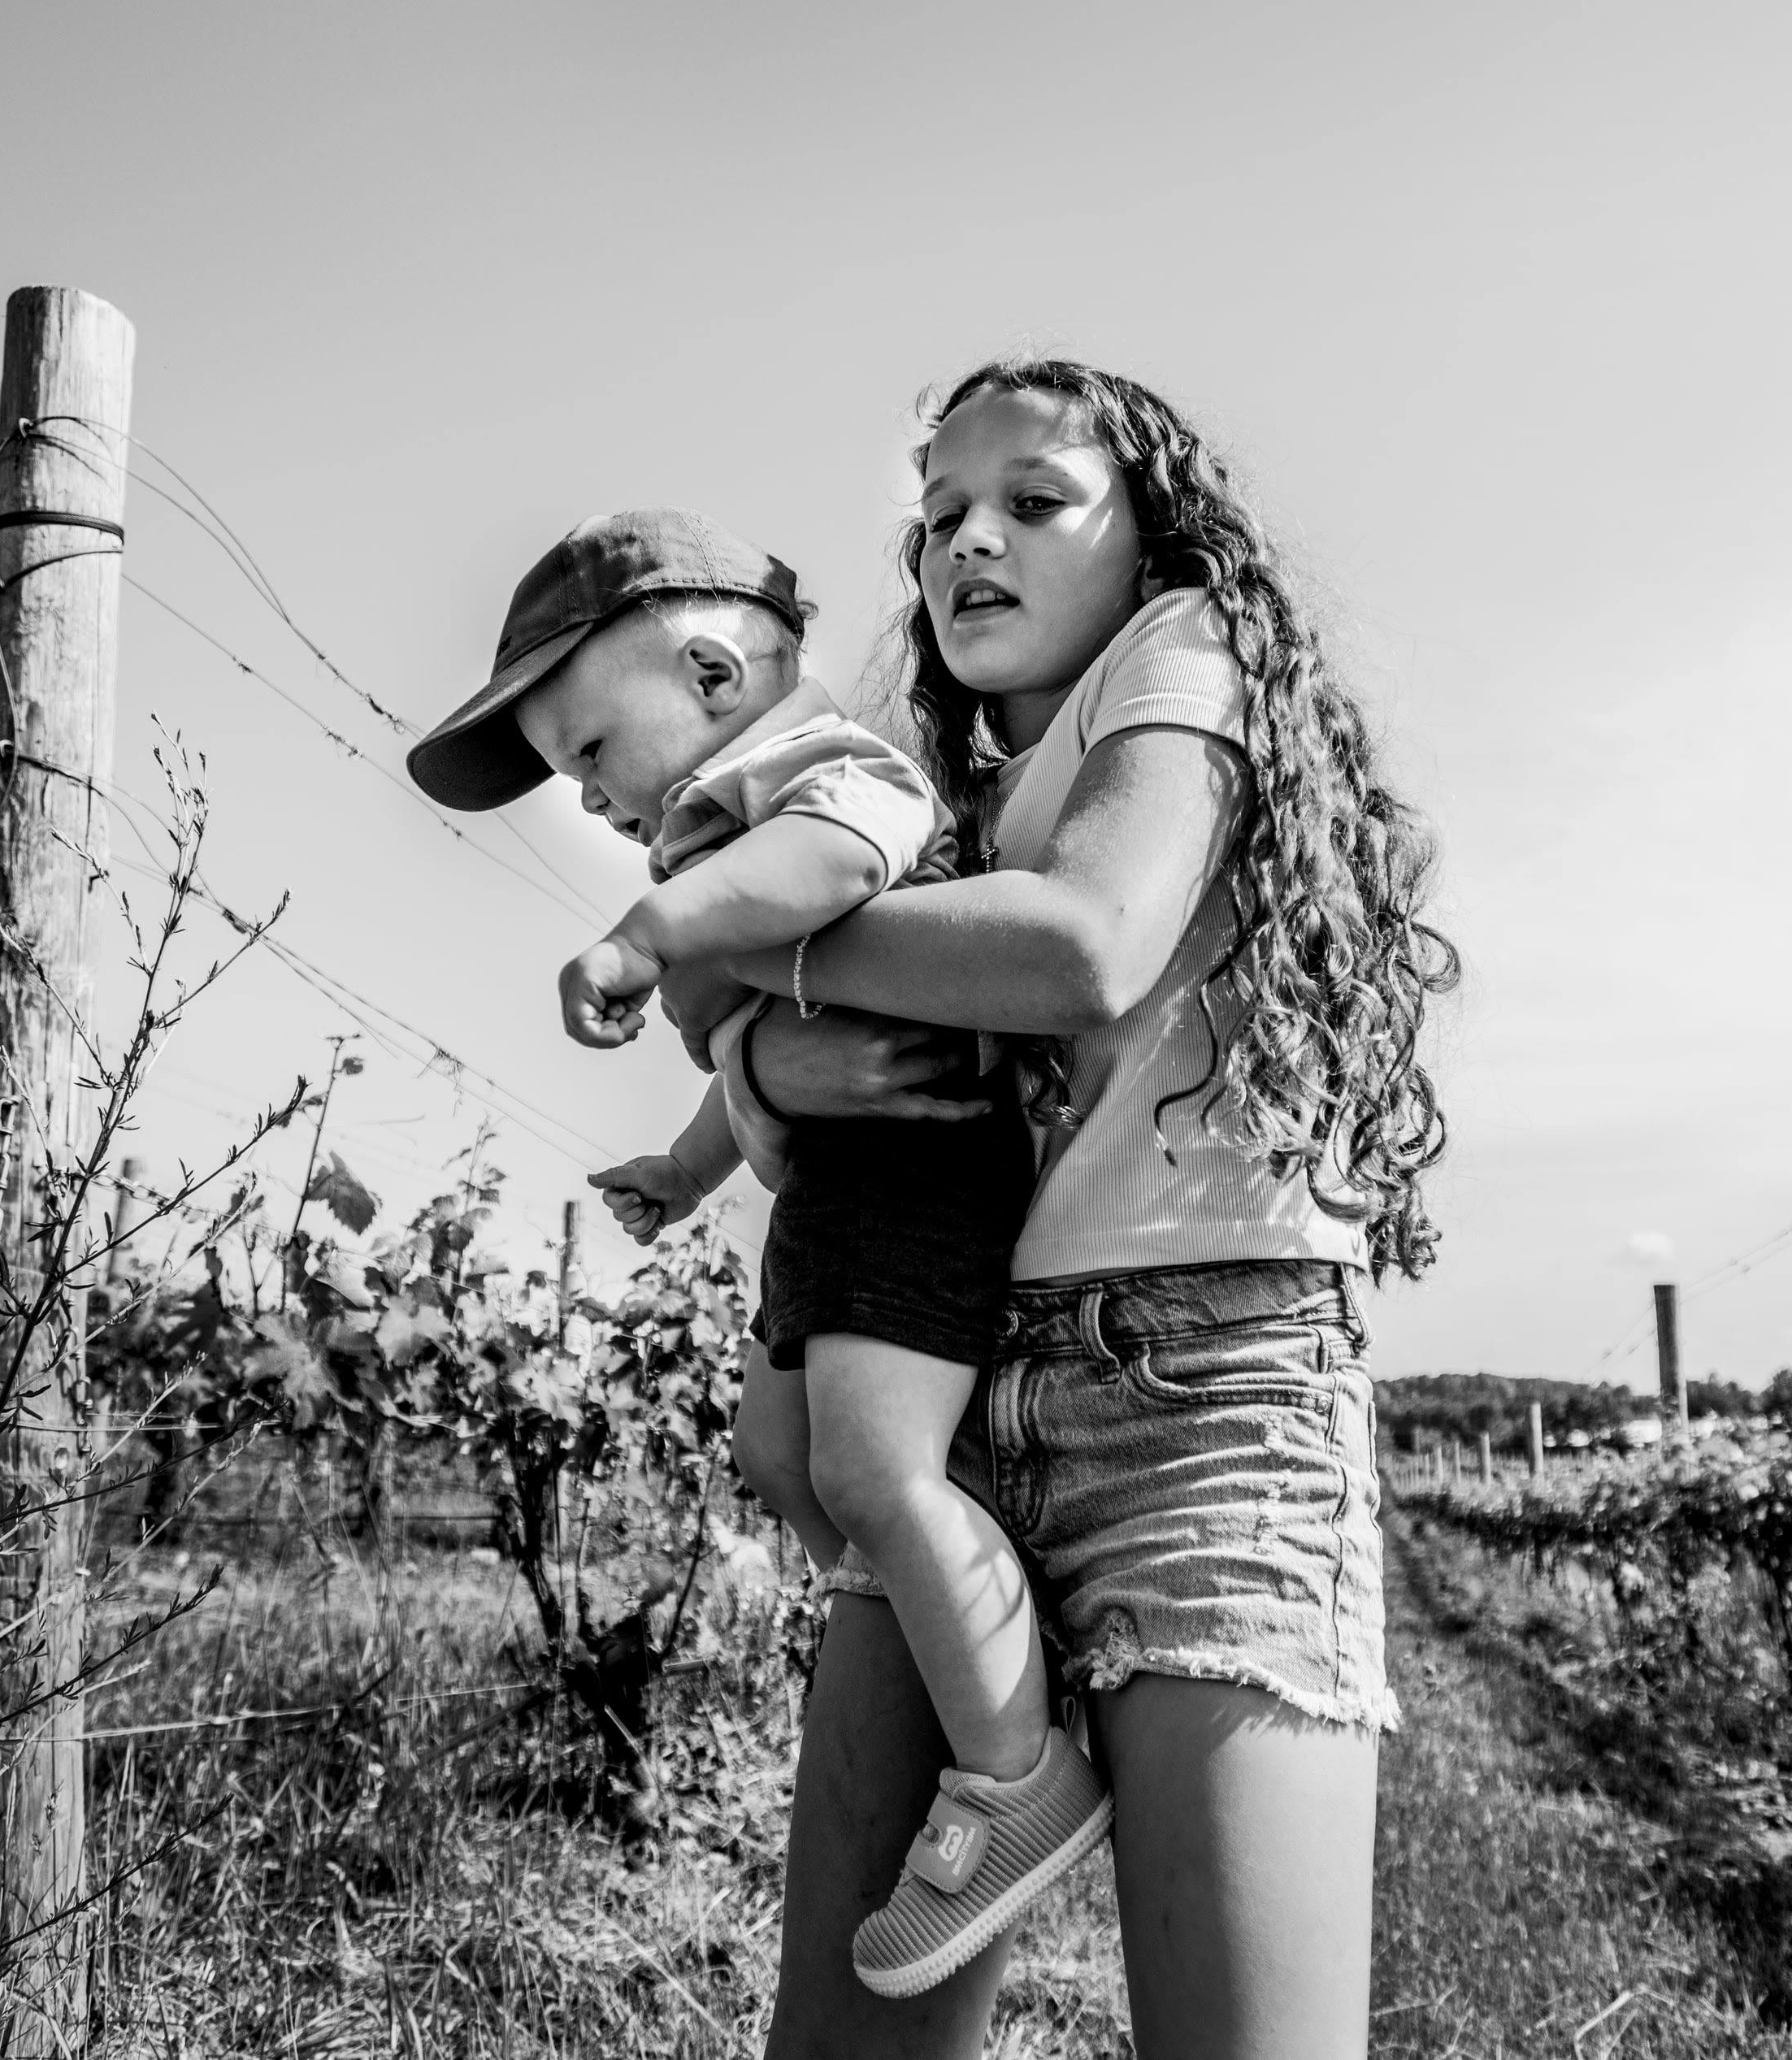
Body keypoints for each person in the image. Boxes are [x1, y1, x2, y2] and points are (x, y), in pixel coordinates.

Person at [687, 362, 1456, 2058]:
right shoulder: (929, 797)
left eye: (1034, 501)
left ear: (1150, 539)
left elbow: (1089, 941)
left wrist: (730, 939)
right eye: (940, 513)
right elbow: (862, 1078)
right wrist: (766, 1061)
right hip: (957, 1393)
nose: (970, 539)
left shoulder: (1183, 656)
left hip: (1205, 1398)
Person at [402, 508, 1109, 2000]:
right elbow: (764, 1041)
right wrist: (686, 1157)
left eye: (589, 751)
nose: (581, 797)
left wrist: (651, 933)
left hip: (915, 1175)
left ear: (717, 674)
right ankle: (954, 1644)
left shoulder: (818, 774)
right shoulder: (725, 824)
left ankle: (1016, 1767)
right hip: (835, 1187)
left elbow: (834, 868)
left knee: (871, 1471)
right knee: (783, 1463)